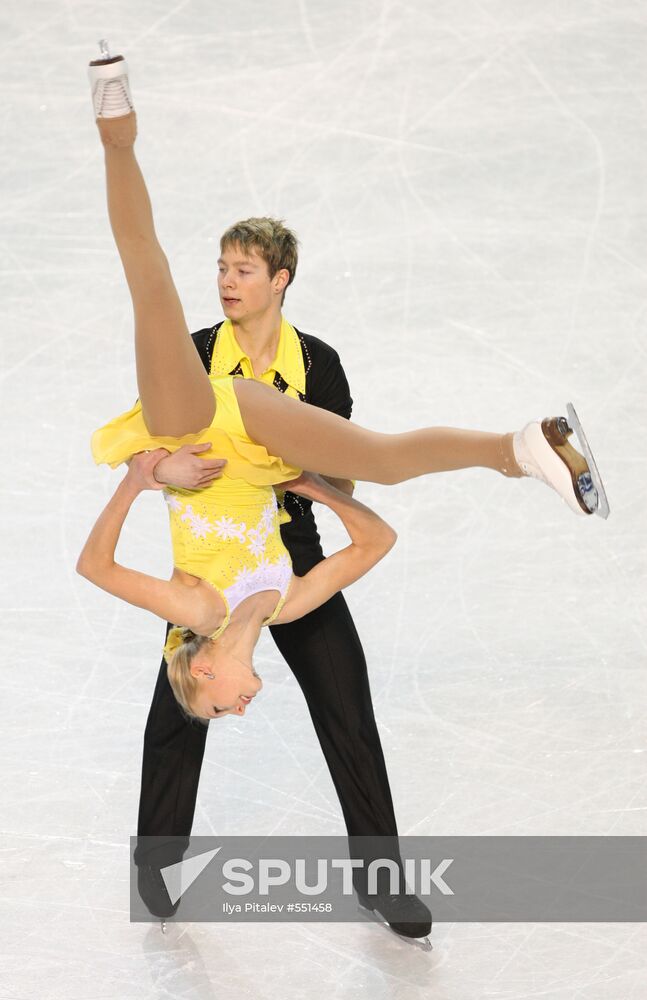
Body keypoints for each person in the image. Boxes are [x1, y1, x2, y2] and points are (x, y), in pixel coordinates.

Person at [78, 45, 608, 939]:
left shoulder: (313, 365)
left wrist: (304, 484)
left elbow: (351, 471)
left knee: (347, 708)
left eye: (243, 269)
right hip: (217, 462)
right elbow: (154, 442)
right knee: (177, 718)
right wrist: (157, 468)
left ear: (279, 278)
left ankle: (520, 447)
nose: (228, 279)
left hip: (285, 520)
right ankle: (159, 869)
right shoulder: (201, 352)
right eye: (226, 268)